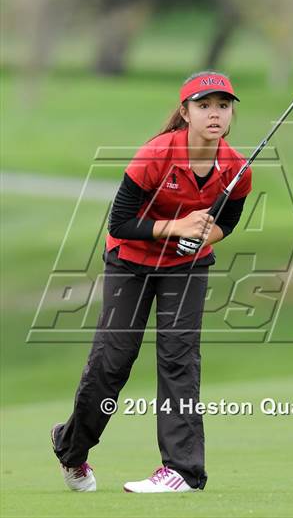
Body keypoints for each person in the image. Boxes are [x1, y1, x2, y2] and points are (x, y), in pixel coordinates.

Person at [51, 70, 252, 493]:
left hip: (187, 266)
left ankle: (183, 471)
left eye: (222, 106)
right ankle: (72, 450)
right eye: (204, 106)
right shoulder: (155, 154)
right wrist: (177, 227)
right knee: (111, 363)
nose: (214, 114)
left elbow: (226, 224)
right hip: (132, 262)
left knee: (180, 360)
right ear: (185, 112)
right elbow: (121, 223)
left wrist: (199, 237)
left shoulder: (236, 168)